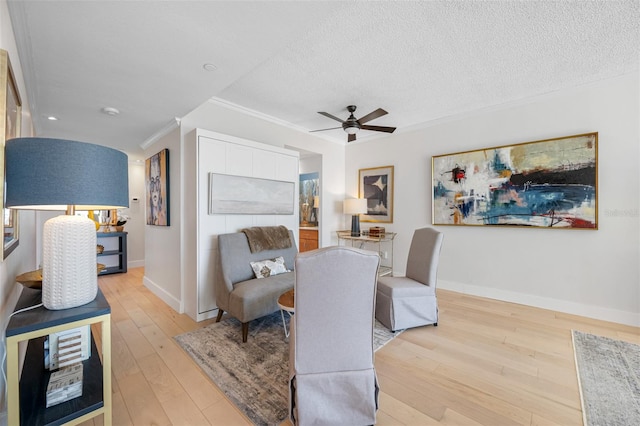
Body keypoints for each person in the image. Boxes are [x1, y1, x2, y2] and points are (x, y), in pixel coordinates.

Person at [147, 152, 167, 225]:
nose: (155, 188)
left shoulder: (163, 215)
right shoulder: (150, 217)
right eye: (152, 181)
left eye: (157, 180)